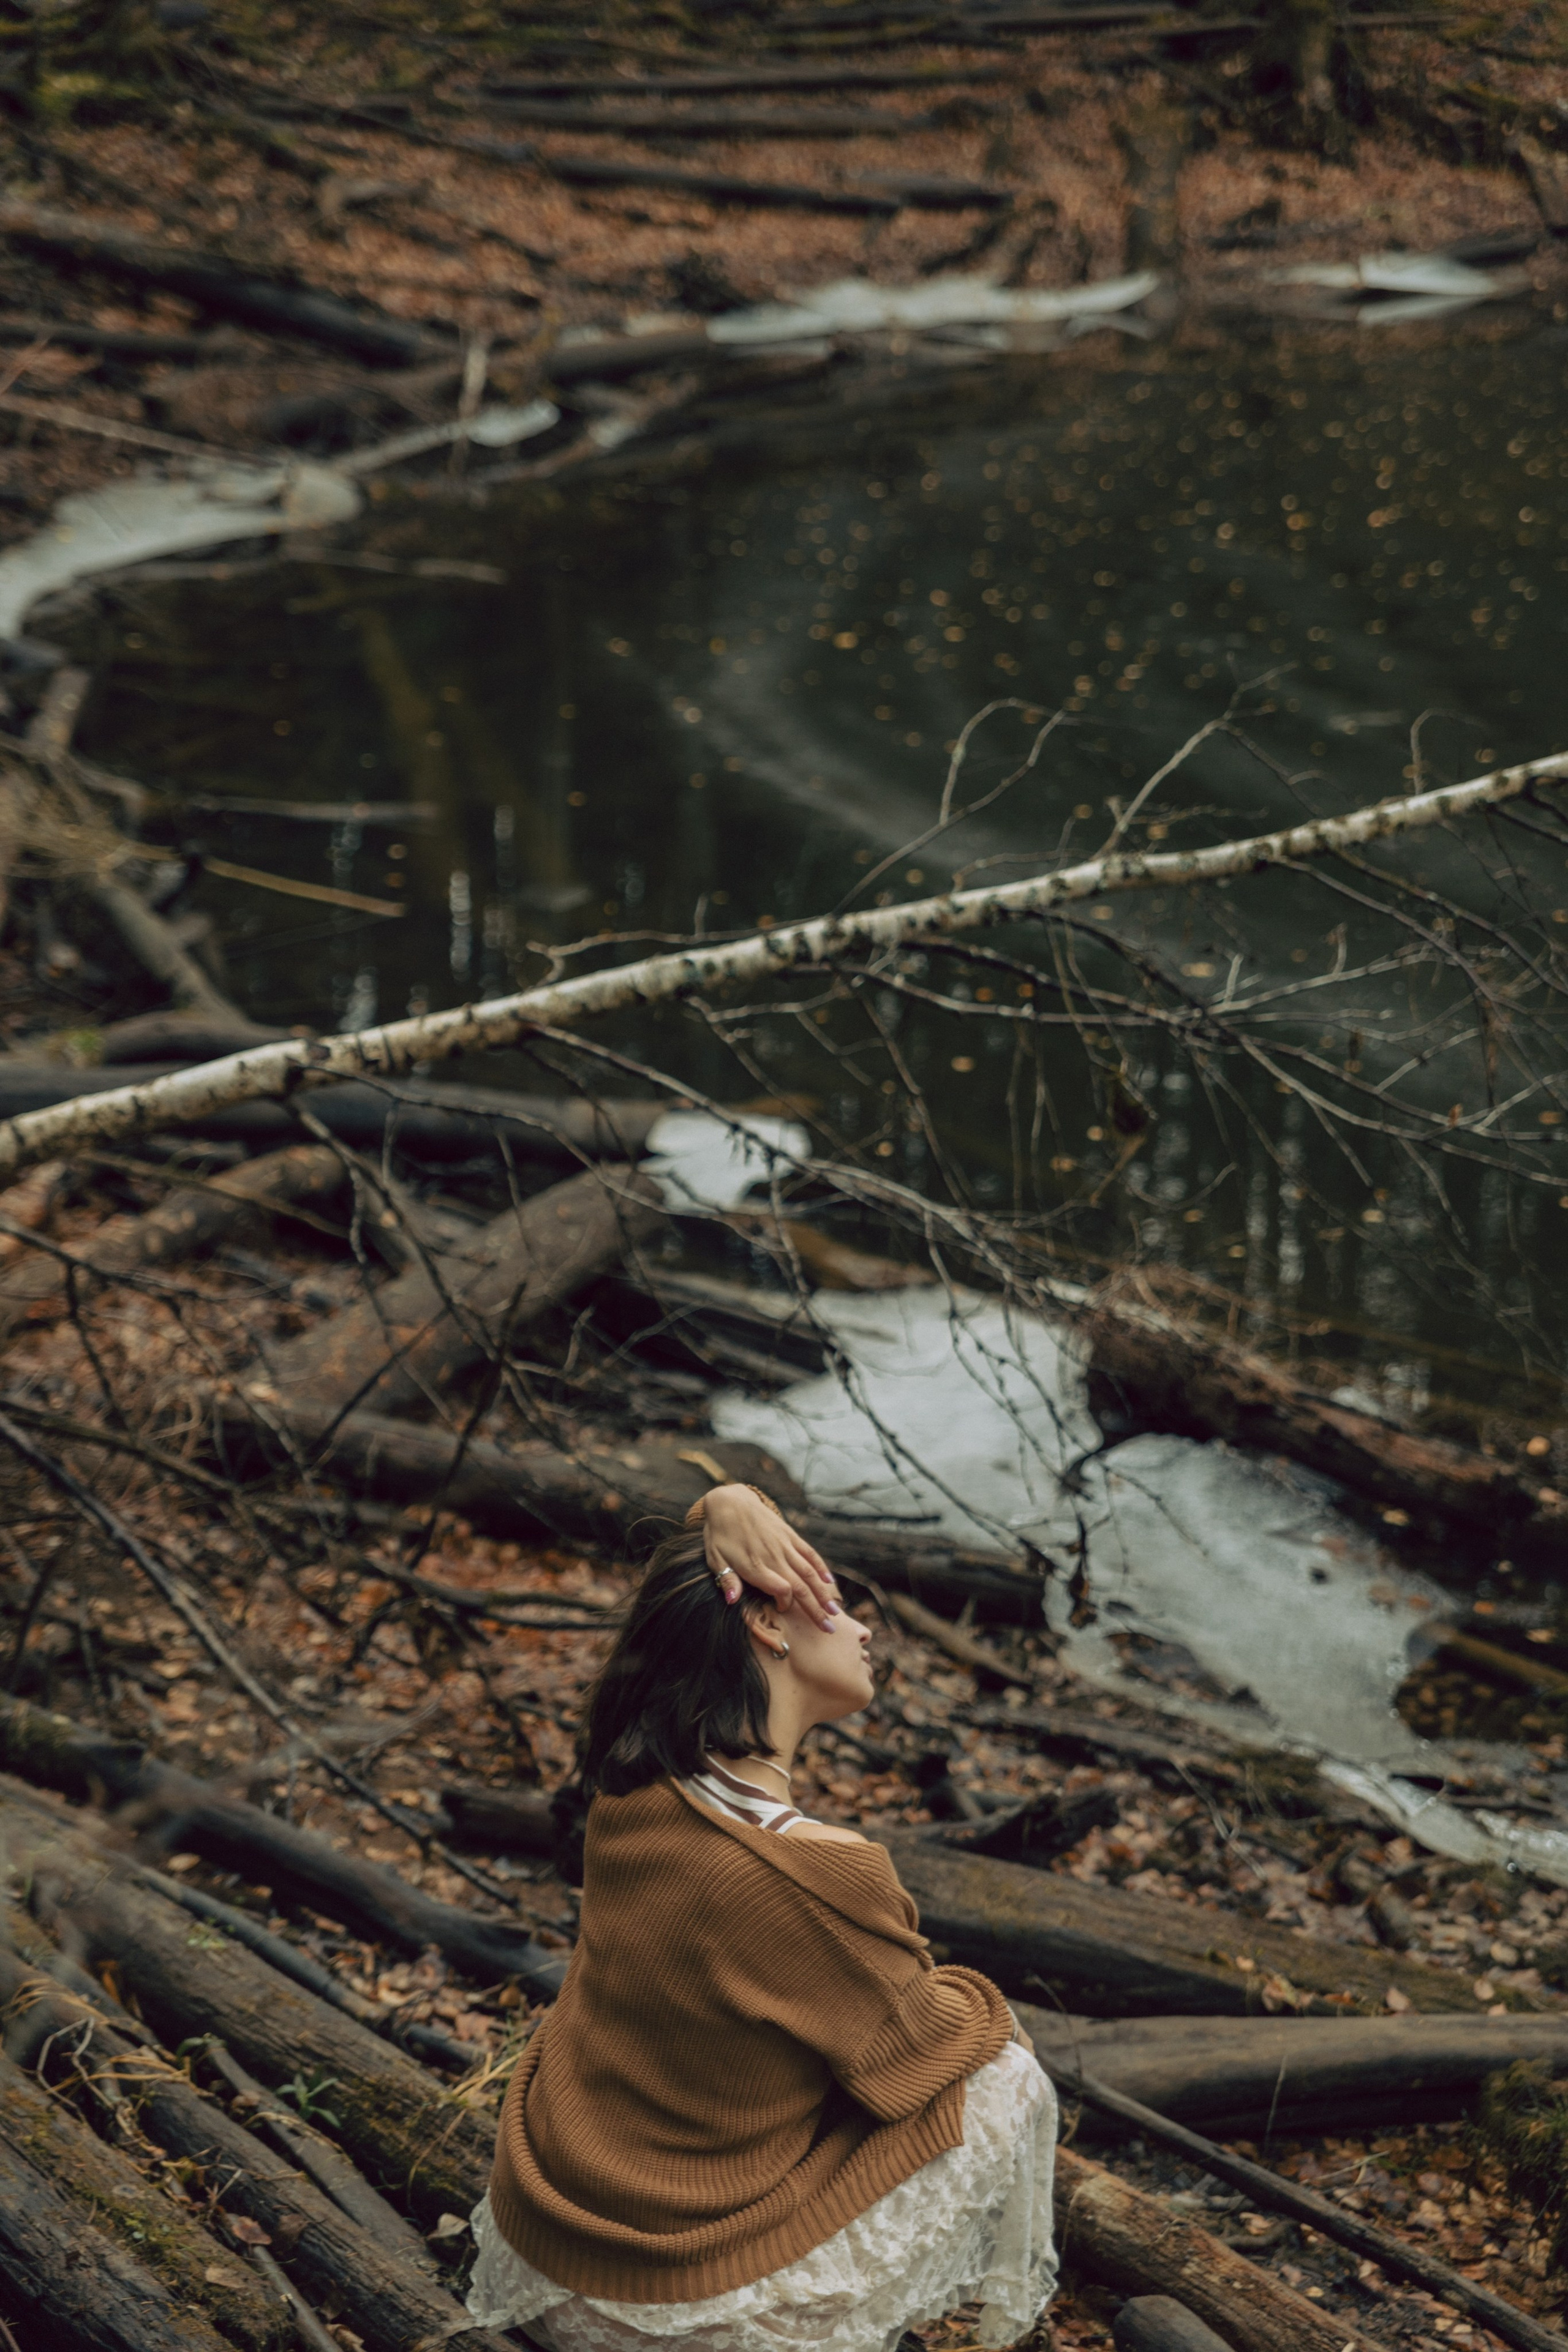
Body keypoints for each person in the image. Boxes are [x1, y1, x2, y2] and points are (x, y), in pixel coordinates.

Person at [466, 1481, 1058, 2352]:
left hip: (550, 2251)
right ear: (767, 1625)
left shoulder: (635, 1787)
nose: (864, 1632)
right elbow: (929, 2054)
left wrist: (727, 1499)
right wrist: (972, 1998)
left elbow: (675, 1588)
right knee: (1007, 2075)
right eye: (840, 1609)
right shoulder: (816, 1872)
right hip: (670, 2310)